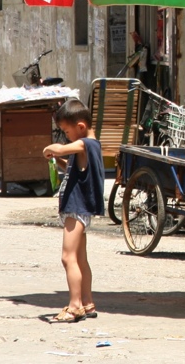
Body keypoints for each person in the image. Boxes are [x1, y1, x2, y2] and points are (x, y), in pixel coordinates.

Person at [42, 99, 105, 323]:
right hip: (81, 210)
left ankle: (74, 305)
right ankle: (88, 304)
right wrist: (58, 161)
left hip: (76, 209)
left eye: (66, 131)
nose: (65, 136)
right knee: (80, 259)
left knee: (67, 257)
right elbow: (75, 169)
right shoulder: (89, 148)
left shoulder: (85, 144)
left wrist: (52, 148)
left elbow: (62, 147)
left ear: (80, 127)